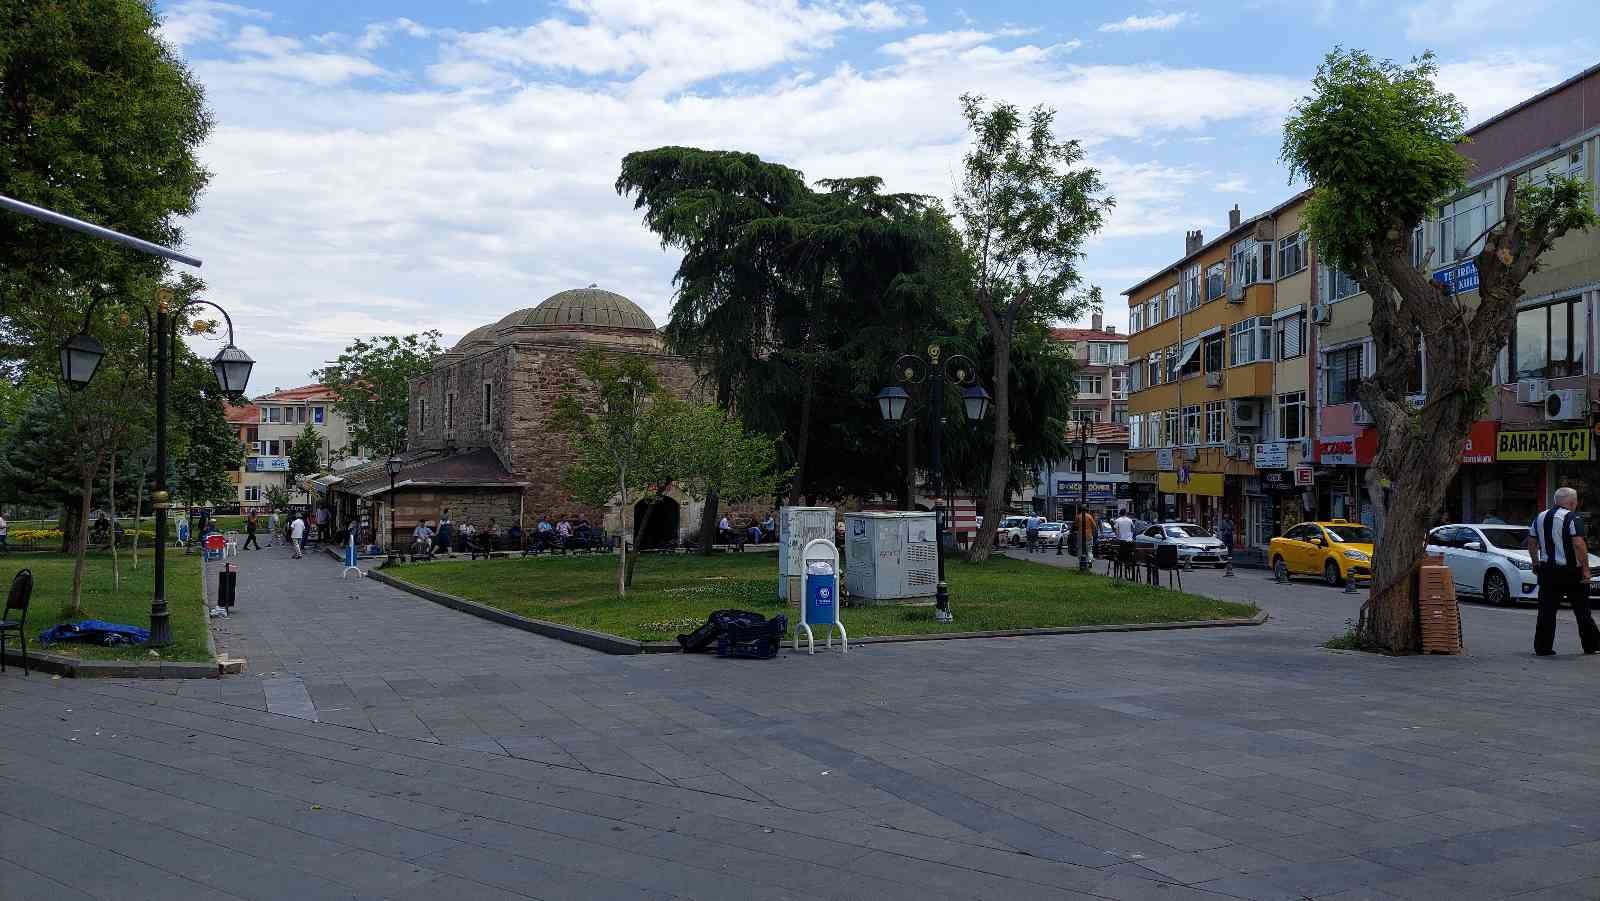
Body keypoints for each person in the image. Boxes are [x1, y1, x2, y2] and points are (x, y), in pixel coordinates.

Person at [1526, 487, 1597, 656]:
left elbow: (1531, 542)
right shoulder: (1572, 518)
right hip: (1572, 572)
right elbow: (1578, 544)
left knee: (1546, 611)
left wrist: (1535, 564)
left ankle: (1543, 647)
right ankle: (1592, 645)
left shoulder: (1540, 517)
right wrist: (1586, 570)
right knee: (1582, 610)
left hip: (1548, 571)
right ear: (1572, 502)